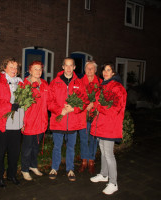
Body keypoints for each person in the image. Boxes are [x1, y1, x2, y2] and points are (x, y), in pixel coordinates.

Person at [48, 57, 89, 182]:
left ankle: (70, 169)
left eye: (71, 65)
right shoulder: (55, 82)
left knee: (71, 146)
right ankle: (54, 167)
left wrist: (74, 109)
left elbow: (85, 101)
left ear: (75, 67)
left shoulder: (79, 83)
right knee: (57, 146)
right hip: (58, 121)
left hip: (73, 122)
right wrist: (60, 110)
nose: (69, 68)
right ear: (62, 67)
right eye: (66, 65)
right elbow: (49, 101)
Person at [0, 57, 24, 188]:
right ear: (4, 68)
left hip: (16, 124)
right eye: (11, 67)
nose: (14, 70)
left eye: (16, 67)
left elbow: (23, 104)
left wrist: (23, 120)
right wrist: (10, 106)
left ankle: (12, 175)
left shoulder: (20, 83)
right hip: (0, 123)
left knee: (14, 152)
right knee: (0, 152)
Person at [89, 62, 127, 195]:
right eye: (104, 70)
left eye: (108, 70)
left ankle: (113, 182)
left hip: (110, 125)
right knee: (103, 151)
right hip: (101, 125)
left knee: (109, 154)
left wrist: (98, 107)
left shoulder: (117, 87)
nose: (105, 72)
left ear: (113, 73)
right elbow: (98, 104)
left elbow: (114, 109)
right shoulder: (103, 86)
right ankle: (104, 174)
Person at [20, 61, 49, 181]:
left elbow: (50, 100)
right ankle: (24, 169)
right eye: (35, 69)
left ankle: (33, 166)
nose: (38, 71)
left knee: (35, 147)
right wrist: (21, 122)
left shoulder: (45, 84)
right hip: (29, 121)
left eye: (40, 69)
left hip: (41, 121)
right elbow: (20, 105)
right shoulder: (24, 84)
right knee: (27, 148)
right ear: (30, 70)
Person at [78, 60, 103, 174]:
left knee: (93, 139)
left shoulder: (101, 83)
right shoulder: (79, 82)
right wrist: (84, 105)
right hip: (83, 115)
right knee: (83, 138)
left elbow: (103, 98)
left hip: (95, 115)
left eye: (91, 68)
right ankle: (84, 161)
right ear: (84, 70)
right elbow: (76, 96)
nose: (89, 70)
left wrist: (94, 103)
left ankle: (91, 161)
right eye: (87, 68)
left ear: (95, 70)